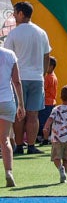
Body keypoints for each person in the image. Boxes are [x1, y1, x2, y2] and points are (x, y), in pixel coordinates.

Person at [5, 1, 51, 155]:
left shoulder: (14, 33)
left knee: (19, 114)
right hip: (37, 78)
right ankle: (31, 146)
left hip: (18, 78)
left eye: (15, 12)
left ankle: (19, 146)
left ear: (21, 14)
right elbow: (47, 55)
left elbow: (6, 57)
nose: (13, 15)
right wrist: (43, 73)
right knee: (33, 115)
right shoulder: (41, 32)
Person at [43, 84, 67, 184]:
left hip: (57, 137)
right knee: (66, 159)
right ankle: (64, 175)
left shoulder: (56, 109)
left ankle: (60, 169)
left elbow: (50, 119)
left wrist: (46, 127)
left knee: (56, 157)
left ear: (61, 97)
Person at [1, 41, 22, 187]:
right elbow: (17, 82)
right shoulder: (10, 55)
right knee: (5, 139)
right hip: (7, 100)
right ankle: (9, 172)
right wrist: (21, 104)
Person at [37, 57, 58, 146]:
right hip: (51, 102)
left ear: (51, 66)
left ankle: (45, 138)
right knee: (49, 121)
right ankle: (48, 137)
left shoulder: (48, 78)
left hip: (46, 102)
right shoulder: (54, 76)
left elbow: (42, 89)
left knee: (44, 122)